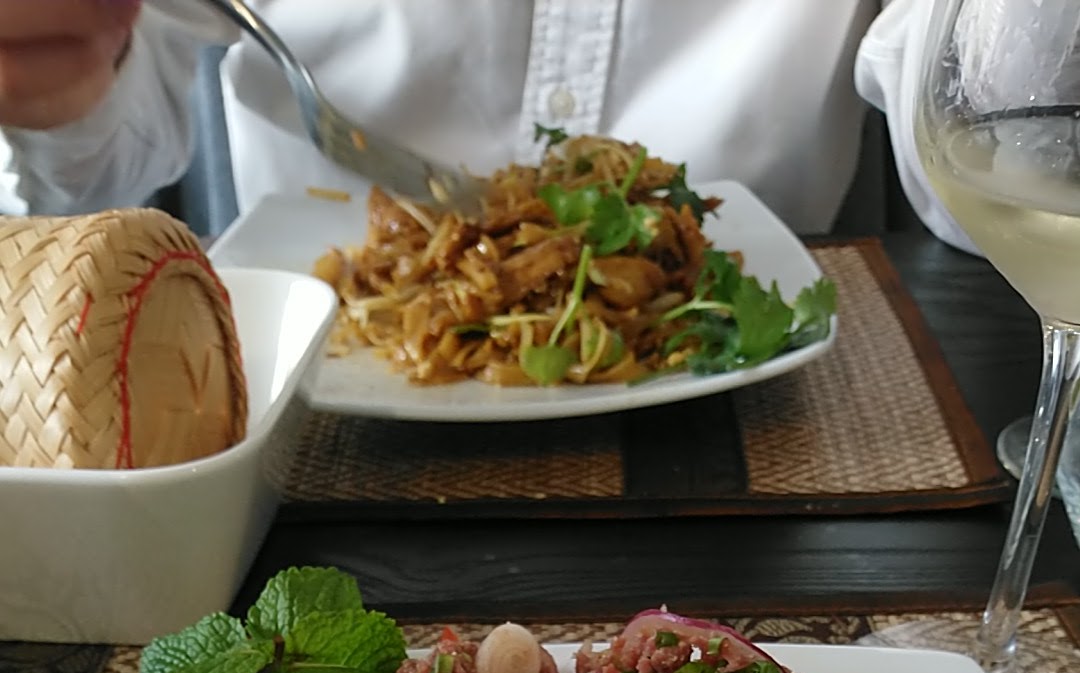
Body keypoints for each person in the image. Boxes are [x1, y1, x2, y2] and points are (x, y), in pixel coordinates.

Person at [0, 0, 968, 245]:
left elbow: (975, 195)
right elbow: (103, 167)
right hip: (300, 389)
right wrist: (60, 81)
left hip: (766, 391)